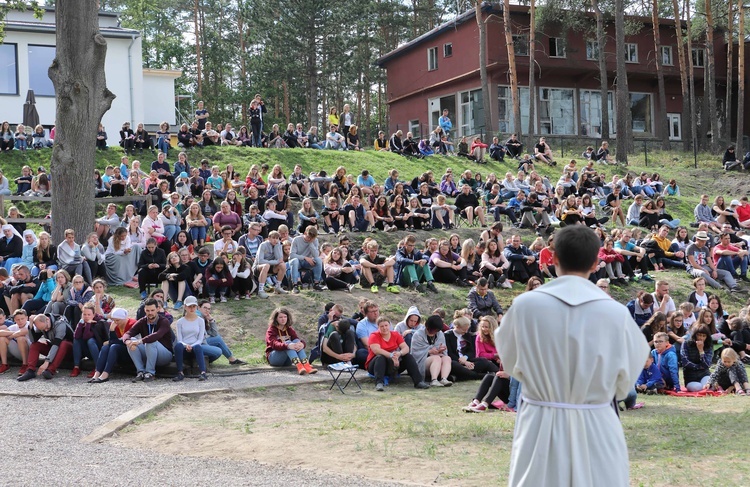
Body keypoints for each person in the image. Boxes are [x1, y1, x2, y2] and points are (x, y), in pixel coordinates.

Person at [496, 225, 649, 487]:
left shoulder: (525, 305)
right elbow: (626, 380)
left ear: (553, 259)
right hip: (596, 419)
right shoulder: (616, 313)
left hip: (541, 419)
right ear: (595, 262)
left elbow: (511, 362)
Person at [366, 316, 431, 391]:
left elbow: (406, 348)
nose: (384, 328)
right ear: (378, 327)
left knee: (407, 356)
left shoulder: (395, 334)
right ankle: (379, 383)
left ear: (389, 325)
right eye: (382, 326)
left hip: (394, 362)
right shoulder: (374, 335)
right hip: (376, 365)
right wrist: (391, 356)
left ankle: (418, 382)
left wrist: (399, 353)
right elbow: (376, 350)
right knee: (380, 357)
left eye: (386, 325)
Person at [122, 298, 174, 382]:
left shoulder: (164, 321)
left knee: (150, 342)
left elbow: (157, 335)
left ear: (157, 309)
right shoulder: (142, 321)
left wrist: (140, 341)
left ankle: (150, 373)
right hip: (149, 353)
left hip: (164, 355)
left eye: (152, 310)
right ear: (144, 310)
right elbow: (128, 333)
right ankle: (140, 371)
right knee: (131, 341)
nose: (150, 313)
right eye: (147, 310)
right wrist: (127, 341)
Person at [88, 308, 135, 383]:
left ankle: (105, 374)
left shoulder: (132, 324)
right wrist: (112, 330)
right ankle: (97, 373)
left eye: (118, 320)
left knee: (114, 347)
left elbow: (125, 341)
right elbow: (113, 340)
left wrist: (110, 341)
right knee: (105, 347)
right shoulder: (115, 325)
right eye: (114, 320)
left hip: (131, 350)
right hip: (120, 349)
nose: (115, 322)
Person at [264, 307, 316, 374]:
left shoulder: (289, 329)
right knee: (288, 343)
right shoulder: (271, 330)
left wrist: (302, 344)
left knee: (296, 341)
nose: (283, 319)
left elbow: (296, 339)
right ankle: (300, 366)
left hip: (288, 360)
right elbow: (274, 344)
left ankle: (306, 365)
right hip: (274, 358)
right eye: (280, 317)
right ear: (276, 319)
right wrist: (287, 345)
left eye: (285, 317)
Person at [410, 315, 453, 387]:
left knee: (447, 358)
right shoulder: (418, 335)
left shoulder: (440, 334)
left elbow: (443, 351)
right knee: (436, 358)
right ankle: (434, 380)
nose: (433, 332)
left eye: (436, 331)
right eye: (432, 330)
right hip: (422, 363)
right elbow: (415, 353)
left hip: (438, 362)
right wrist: (429, 351)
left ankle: (444, 378)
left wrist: (440, 350)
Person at [172, 296, 208, 381]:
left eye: (194, 306)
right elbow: (180, 339)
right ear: (185, 307)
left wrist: (192, 345)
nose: (191, 309)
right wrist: (186, 345)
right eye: (189, 306)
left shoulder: (200, 321)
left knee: (198, 347)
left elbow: (200, 339)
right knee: (178, 346)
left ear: (196, 307)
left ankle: (203, 372)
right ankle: (180, 372)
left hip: (195, 347)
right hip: (184, 347)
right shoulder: (180, 322)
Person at [681, 323, 713, 391]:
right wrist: (699, 367)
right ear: (695, 335)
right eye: (699, 335)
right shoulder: (686, 344)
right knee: (698, 387)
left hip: (704, 374)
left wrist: (701, 350)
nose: (701, 338)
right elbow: (685, 362)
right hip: (691, 377)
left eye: (704, 336)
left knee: (706, 386)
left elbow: (707, 364)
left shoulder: (708, 346)